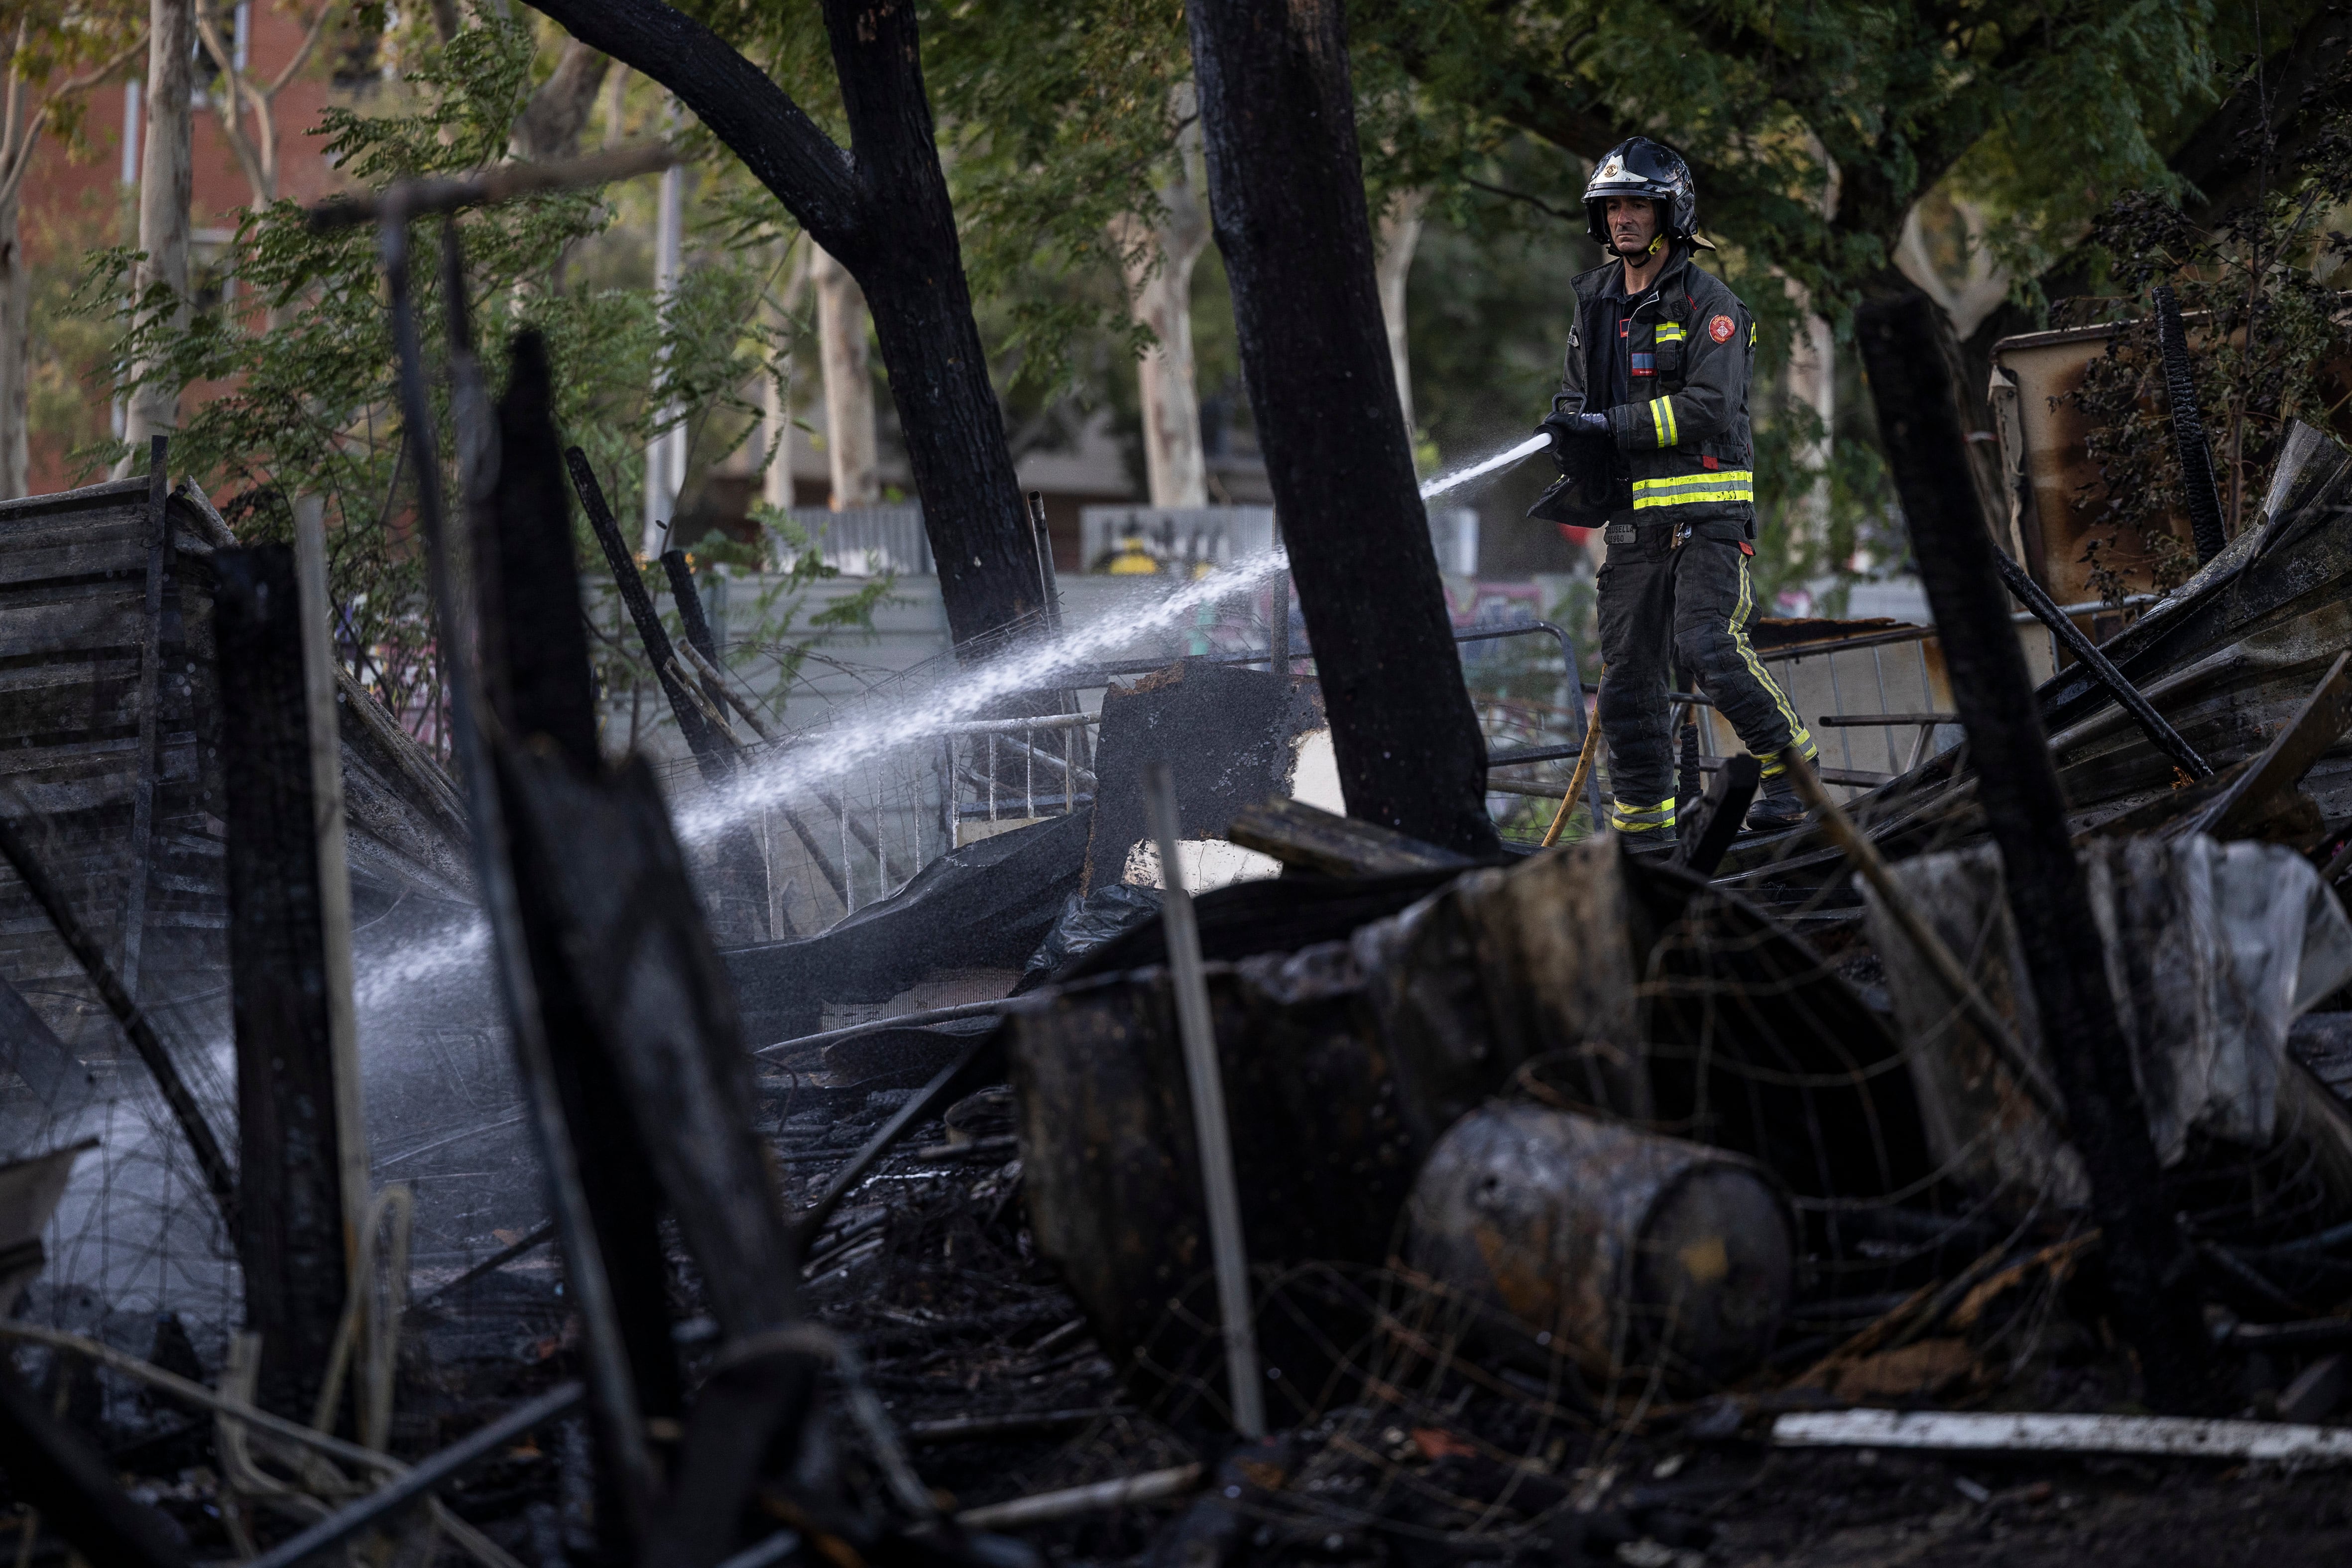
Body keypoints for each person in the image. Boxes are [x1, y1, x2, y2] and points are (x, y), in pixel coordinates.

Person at [1531, 137, 1816, 846]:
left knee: (1706, 642)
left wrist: (1612, 423)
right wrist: (1573, 429)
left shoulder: (1710, 304)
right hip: (1632, 527)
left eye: (1638, 205)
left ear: (1671, 213)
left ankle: (1792, 773)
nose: (1624, 218)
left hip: (1707, 520)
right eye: (1614, 207)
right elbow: (1578, 394)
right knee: (1627, 682)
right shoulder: (1594, 304)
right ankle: (1646, 837)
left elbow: (1710, 408)